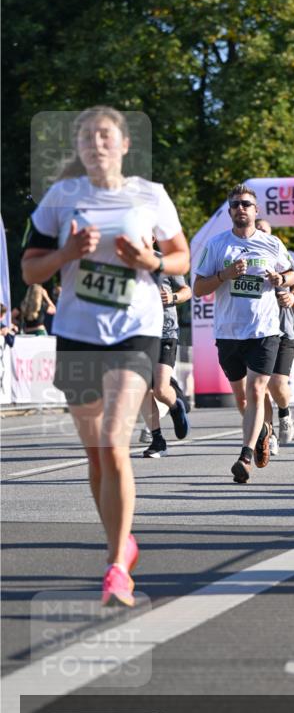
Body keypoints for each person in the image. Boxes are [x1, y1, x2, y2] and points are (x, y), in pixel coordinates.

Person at [21, 105, 189, 606]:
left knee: (115, 444)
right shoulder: (60, 198)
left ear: (123, 145)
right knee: (96, 456)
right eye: (88, 138)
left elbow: (182, 256)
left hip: (135, 330)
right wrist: (66, 255)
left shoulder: (149, 196)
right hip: (76, 332)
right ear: (78, 149)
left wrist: (152, 261)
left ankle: (117, 567)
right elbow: (31, 271)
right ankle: (123, 542)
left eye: (105, 136)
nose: (96, 144)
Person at [193, 185, 294, 483]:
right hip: (228, 332)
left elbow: (291, 274)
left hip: (264, 330)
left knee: (256, 391)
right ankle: (263, 431)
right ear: (230, 212)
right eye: (236, 204)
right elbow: (199, 289)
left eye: (246, 204)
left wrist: (281, 278)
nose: (241, 208)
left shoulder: (272, 244)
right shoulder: (216, 245)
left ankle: (245, 456)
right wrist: (225, 275)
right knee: (242, 400)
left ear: (255, 210)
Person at [256, 218, 294, 455]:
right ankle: (269, 433)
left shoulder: (279, 254)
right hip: (257, 332)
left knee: (277, 384)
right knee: (260, 387)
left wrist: (292, 297)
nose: (261, 235)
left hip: (283, 330)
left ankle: (284, 413)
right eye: (258, 231)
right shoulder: (247, 258)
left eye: (265, 231)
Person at [139, 253, 191, 457]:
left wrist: (173, 297)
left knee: (160, 389)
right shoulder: (121, 260)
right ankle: (157, 440)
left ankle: (175, 405)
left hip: (165, 332)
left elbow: (187, 290)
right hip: (136, 334)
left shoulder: (166, 260)